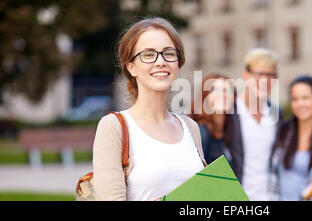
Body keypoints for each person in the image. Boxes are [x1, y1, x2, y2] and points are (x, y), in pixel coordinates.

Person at [92, 17, 206, 201]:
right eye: (148, 54)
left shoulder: (190, 127)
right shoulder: (114, 127)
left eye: (169, 53)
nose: (160, 61)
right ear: (131, 67)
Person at [224, 48, 283, 201]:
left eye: (270, 75)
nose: (264, 81)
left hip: (267, 197)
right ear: (245, 76)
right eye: (258, 74)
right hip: (235, 198)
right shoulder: (229, 110)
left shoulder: (276, 112)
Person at [191, 73, 234, 164]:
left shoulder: (229, 132)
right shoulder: (202, 132)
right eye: (215, 90)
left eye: (227, 90)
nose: (223, 95)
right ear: (204, 96)